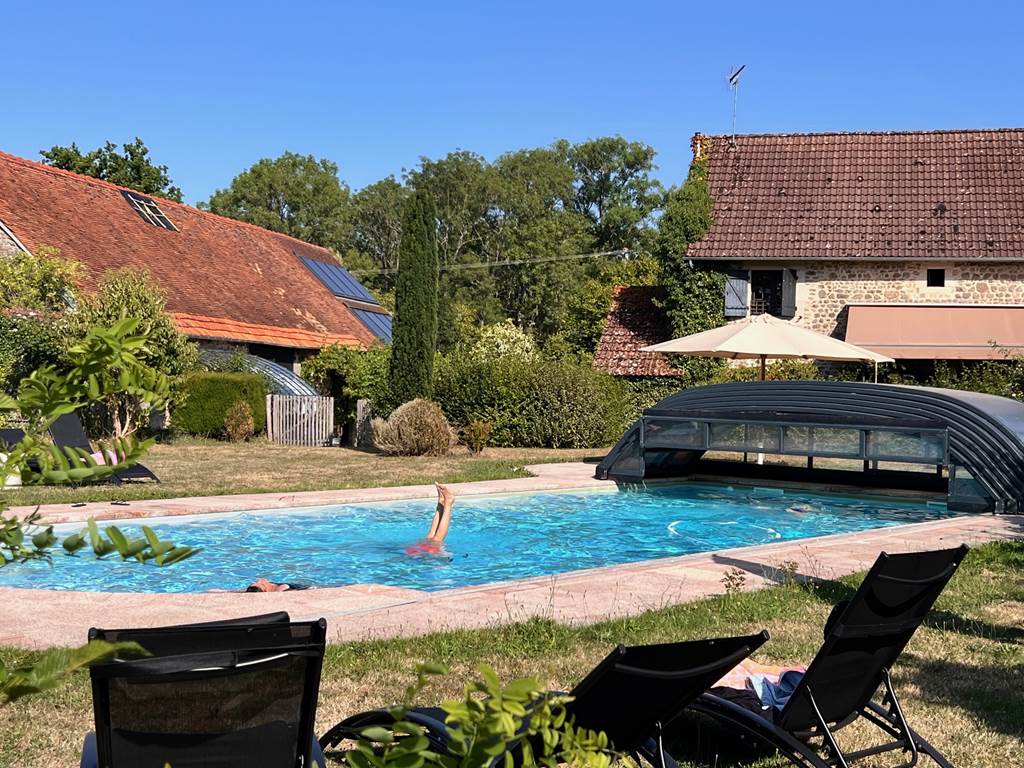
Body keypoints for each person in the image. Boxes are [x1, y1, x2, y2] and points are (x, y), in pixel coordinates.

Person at [405, 483, 455, 556]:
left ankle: (444, 502)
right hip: (420, 554)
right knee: (435, 540)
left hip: (417, 553)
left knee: (431, 537)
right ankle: (446, 502)